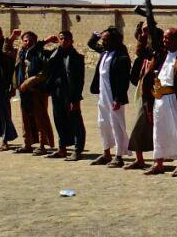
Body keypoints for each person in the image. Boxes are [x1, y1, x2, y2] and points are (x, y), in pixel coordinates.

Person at [145, 28, 177, 177]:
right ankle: (158, 163)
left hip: (176, 99)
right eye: (164, 38)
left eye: (168, 38)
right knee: (159, 131)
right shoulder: (161, 55)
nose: (164, 40)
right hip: (160, 98)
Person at [86, 27, 132, 167]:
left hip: (114, 98)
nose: (103, 42)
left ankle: (118, 156)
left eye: (106, 40)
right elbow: (91, 44)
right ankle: (106, 153)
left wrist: (118, 99)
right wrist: (96, 35)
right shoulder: (104, 52)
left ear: (114, 41)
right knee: (103, 123)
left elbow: (124, 80)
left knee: (116, 125)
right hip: (102, 96)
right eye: (103, 40)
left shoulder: (121, 57)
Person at [43, 31, 86, 160]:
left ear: (71, 41)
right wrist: (46, 41)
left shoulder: (76, 57)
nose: (64, 41)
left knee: (75, 121)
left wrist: (76, 99)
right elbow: (35, 52)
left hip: (70, 93)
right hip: (57, 92)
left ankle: (78, 150)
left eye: (66, 39)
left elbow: (79, 81)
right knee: (59, 120)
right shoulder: (54, 54)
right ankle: (62, 149)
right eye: (61, 39)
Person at [15, 30, 54, 155]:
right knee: (25, 117)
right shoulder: (21, 53)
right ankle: (27, 143)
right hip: (24, 91)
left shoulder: (40, 53)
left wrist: (29, 82)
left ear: (35, 42)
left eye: (30, 41)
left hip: (38, 90)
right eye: (25, 40)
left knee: (40, 117)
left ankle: (42, 145)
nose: (27, 43)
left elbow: (44, 72)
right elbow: (6, 51)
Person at [125, 23, 156, 170]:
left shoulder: (159, 53)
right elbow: (134, 77)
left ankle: (159, 161)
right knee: (139, 126)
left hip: (157, 94)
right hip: (143, 93)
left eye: (147, 31)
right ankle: (140, 159)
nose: (144, 34)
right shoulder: (143, 56)